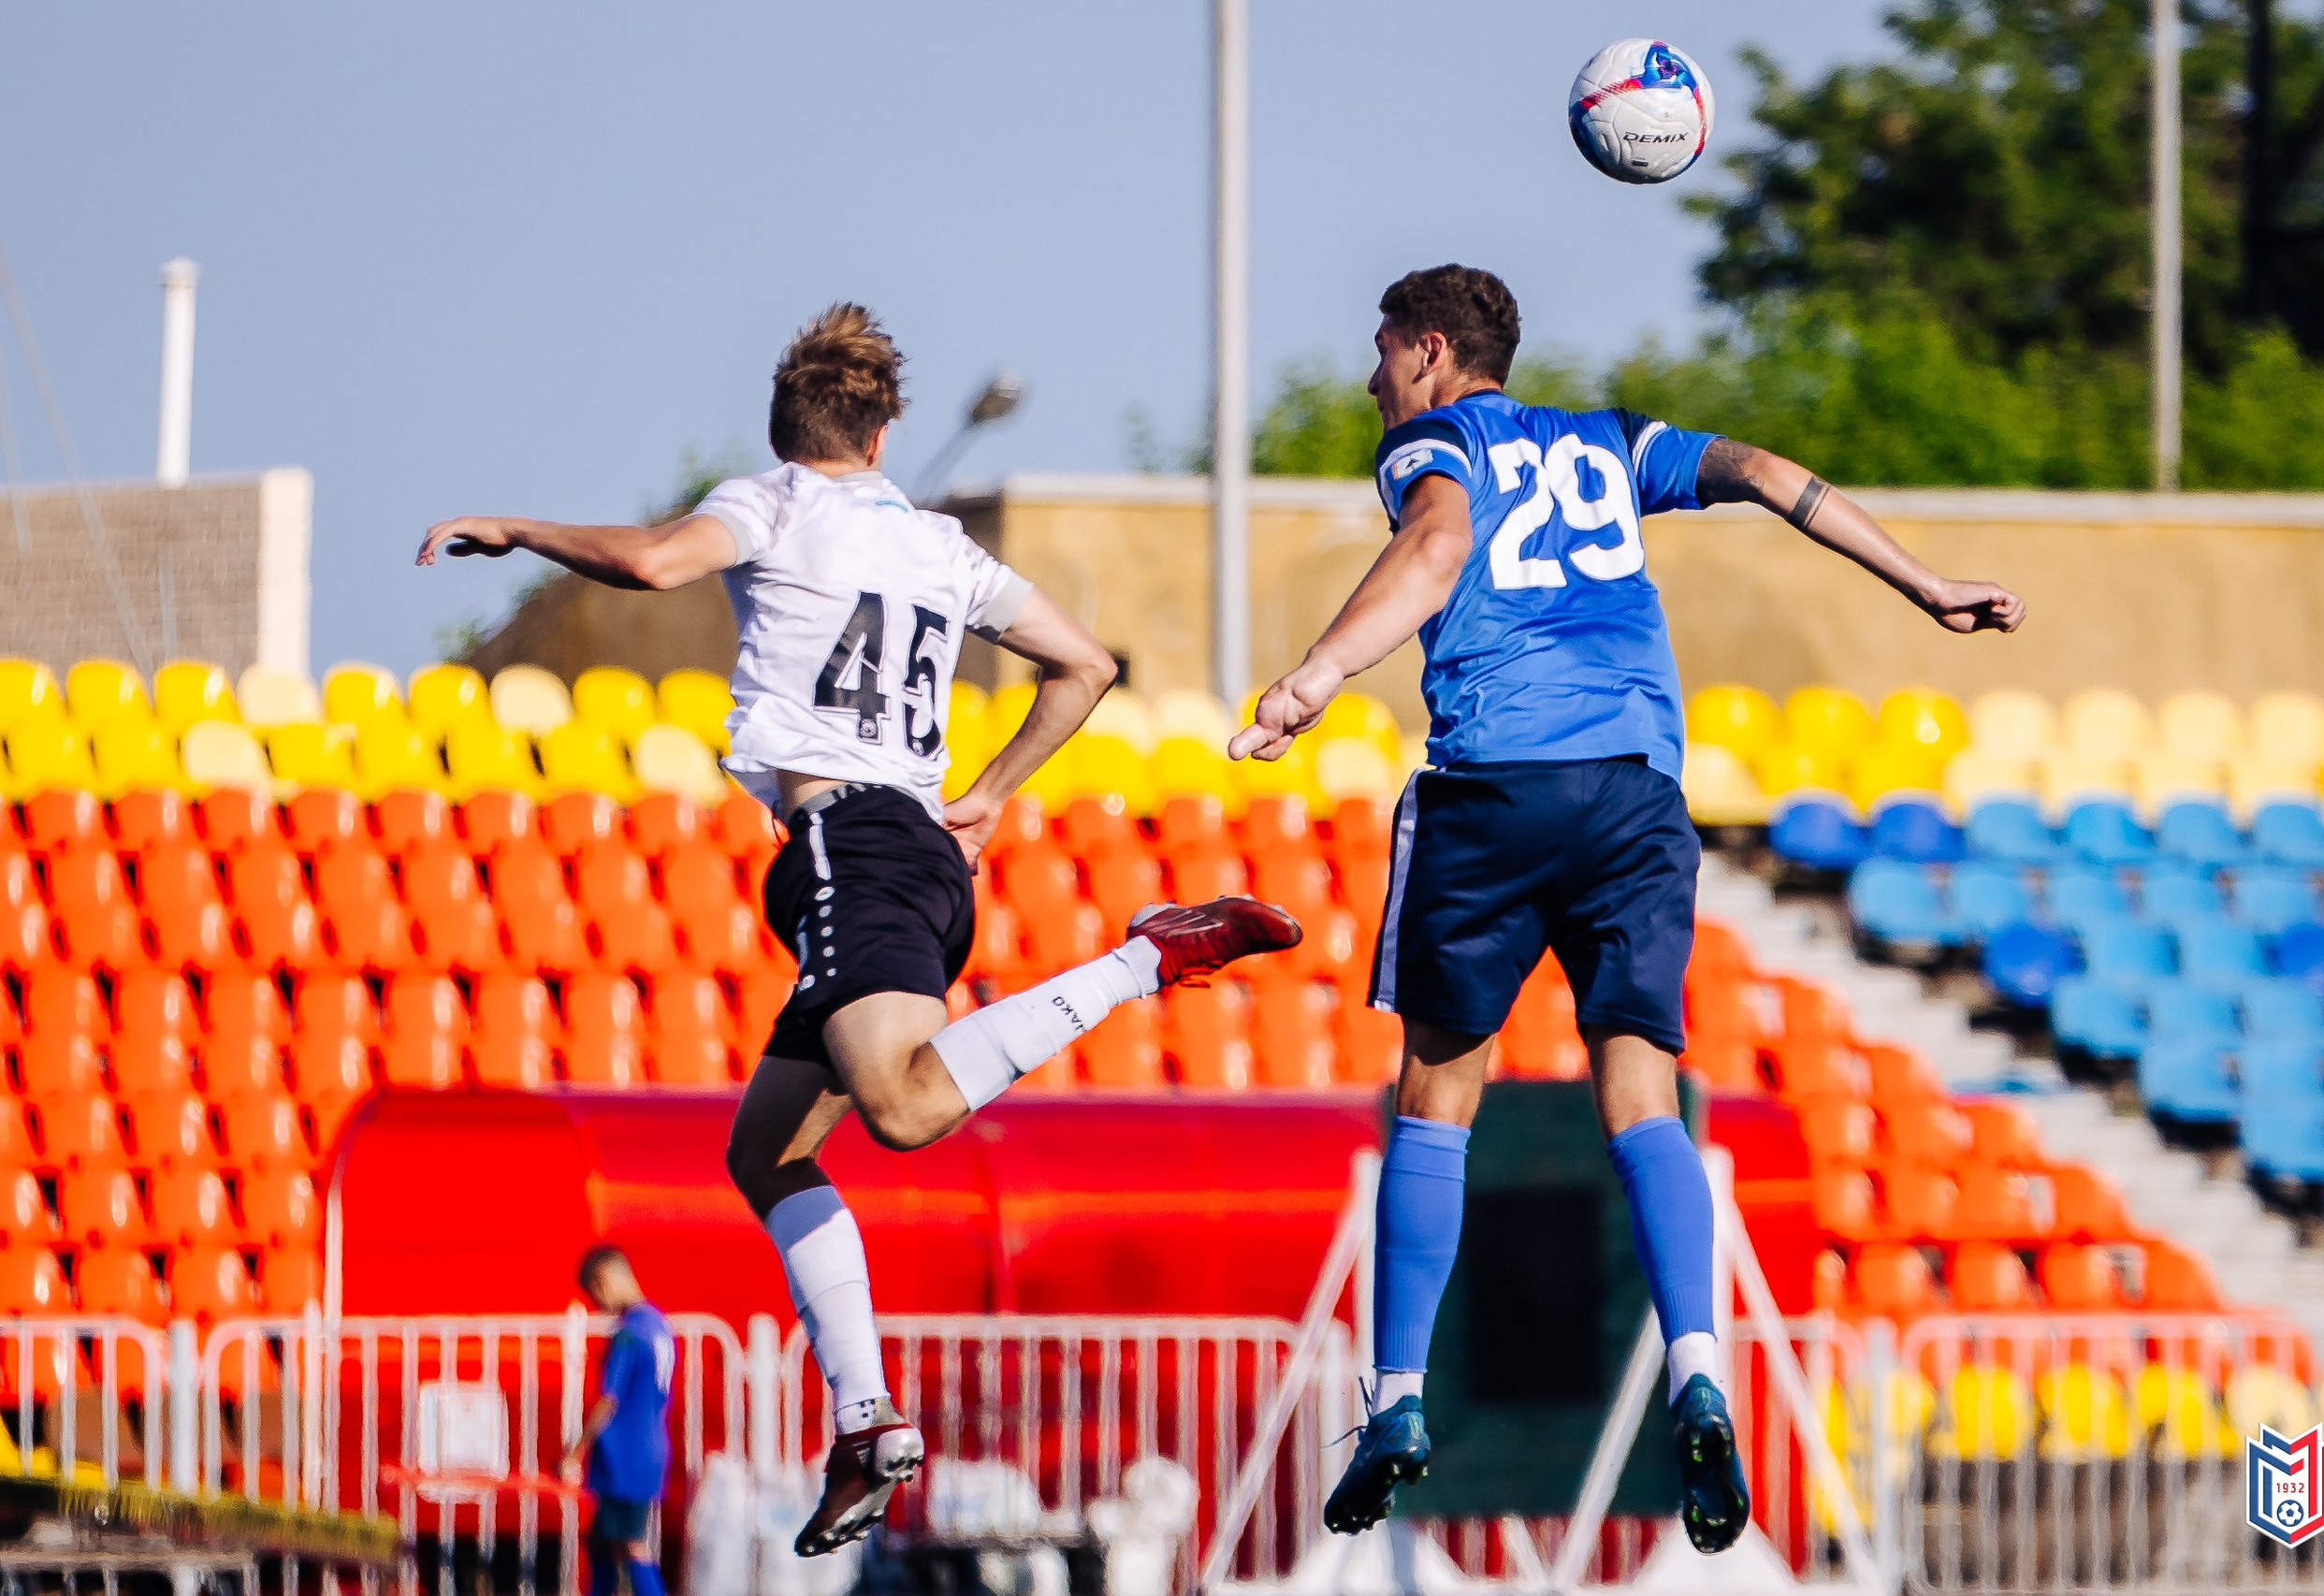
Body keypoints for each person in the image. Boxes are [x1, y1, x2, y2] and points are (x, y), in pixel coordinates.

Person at [419, 302, 1300, 1556]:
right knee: (766, 1152)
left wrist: (518, 528)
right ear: (884, 433)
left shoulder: (774, 503)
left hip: (853, 847)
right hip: (911, 858)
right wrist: (990, 794)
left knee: (903, 1107)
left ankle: (1142, 955)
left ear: (787, 432)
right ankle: (868, 1414)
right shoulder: (940, 547)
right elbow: (1085, 664)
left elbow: (662, 560)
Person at [1232, 266, 2025, 1552]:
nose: (1374, 379)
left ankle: (1396, 1397)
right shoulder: (1611, 446)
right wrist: (1926, 585)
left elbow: (1436, 543)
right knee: (1643, 1093)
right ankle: (1698, 1369)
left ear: (1432, 351)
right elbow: (1771, 473)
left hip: (1495, 782)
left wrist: (1314, 676)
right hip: (1635, 792)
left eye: (1383, 352)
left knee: (1438, 1090)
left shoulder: (1440, 439)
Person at [562, 1244, 675, 1596]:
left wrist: (575, 1451)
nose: (599, 1305)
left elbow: (609, 1399)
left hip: (623, 1457)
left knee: (628, 1545)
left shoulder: (629, 1332)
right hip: (651, 1448)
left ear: (604, 1281)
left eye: (595, 1293)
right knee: (604, 1543)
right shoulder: (659, 1326)